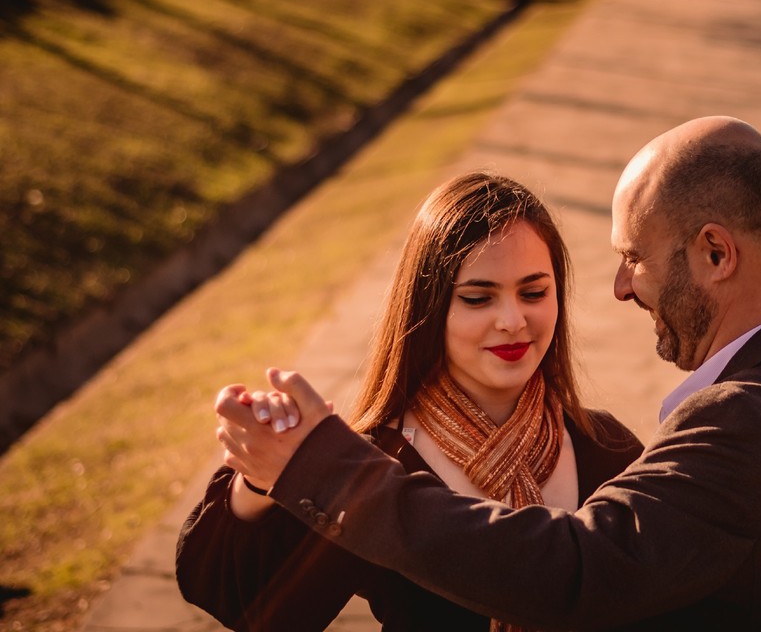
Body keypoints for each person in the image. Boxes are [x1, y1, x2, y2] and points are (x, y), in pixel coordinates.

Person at [217, 116, 761, 630]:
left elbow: (575, 568)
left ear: (715, 253)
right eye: (479, 296)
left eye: (635, 258)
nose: (622, 288)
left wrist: (327, 467)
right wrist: (270, 473)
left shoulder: (730, 424)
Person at [177, 172, 644, 631]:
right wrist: (261, 481)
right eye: (478, 298)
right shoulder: (372, 462)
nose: (512, 320)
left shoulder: (606, 447)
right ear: (429, 305)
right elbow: (256, 610)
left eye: (534, 293)